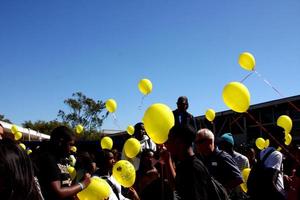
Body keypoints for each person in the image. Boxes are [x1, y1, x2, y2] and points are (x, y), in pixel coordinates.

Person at [34, 126, 90, 200]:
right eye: (70, 144)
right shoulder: (48, 159)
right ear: (60, 142)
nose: (71, 148)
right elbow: (58, 192)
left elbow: (65, 186)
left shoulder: (60, 159)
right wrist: (83, 184)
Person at [165, 125, 215, 200]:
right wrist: (167, 160)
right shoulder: (184, 164)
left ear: (179, 142)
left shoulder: (193, 169)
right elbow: (176, 186)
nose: (166, 143)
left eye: (169, 139)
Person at [195, 128, 243, 194]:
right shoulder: (201, 158)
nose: (197, 145)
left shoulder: (222, 157)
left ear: (210, 141)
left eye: (200, 142)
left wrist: (221, 190)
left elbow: (238, 179)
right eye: (196, 142)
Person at [248, 126, 286, 200]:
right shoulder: (277, 154)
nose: (284, 140)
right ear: (275, 137)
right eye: (282, 137)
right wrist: (282, 196)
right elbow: (270, 181)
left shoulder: (263, 152)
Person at [219, 133, 250, 199]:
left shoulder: (243, 159)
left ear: (228, 144)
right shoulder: (220, 158)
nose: (220, 146)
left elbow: (247, 178)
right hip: (226, 195)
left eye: (222, 143)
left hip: (241, 196)